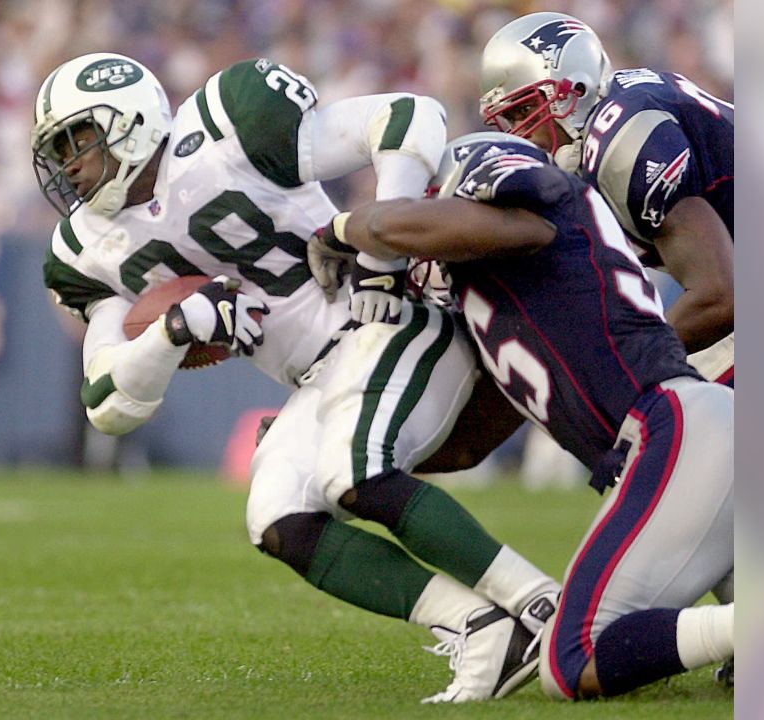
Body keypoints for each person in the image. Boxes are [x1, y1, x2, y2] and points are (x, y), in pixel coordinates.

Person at [30, 53, 559, 703]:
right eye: (57, 149)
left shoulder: (227, 126)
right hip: (318, 375)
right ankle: (482, 631)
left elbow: (407, 116)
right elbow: (109, 403)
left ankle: (542, 609)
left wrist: (382, 252)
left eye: (77, 139)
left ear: (131, 121)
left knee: (353, 472)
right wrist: (175, 330)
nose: (69, 164)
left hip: (391, 318)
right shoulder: (86, 247)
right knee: (278, 518)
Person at [309, 132, 733, 700]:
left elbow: (403, 226)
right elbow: (467, 446)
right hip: (685, 440)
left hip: (676, 426)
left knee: (572, 658)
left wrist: (340, 229)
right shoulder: (511, 301)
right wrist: (343, 437)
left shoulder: (532, 209)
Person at [478, 12, 735, 386]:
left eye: (527, 110)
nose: (524, 134)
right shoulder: (612, 118)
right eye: (510, 118)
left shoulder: (622, 142)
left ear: (576, 89)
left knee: (677, 425)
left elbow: (720, 298)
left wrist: (616, 370)